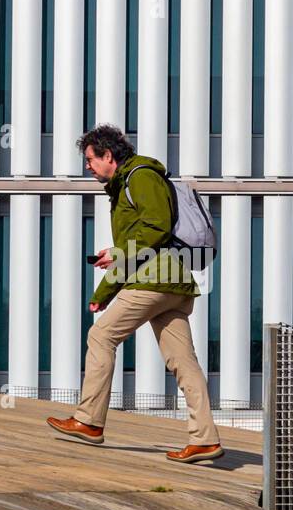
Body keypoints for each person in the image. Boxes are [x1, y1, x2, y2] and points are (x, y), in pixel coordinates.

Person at [45, 124, 224, 464]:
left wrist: (118, 252)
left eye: (90, 159)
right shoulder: (127, 183)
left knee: (101, 336)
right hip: (170, 282)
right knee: (183, 360)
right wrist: (105, 291)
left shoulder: (140, 177)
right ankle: (205, 439)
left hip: (156, 279)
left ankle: (88, 420)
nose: (87, 166)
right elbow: (137, 245)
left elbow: (155, 226)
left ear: (108, 156)